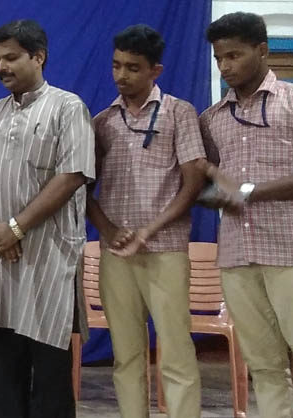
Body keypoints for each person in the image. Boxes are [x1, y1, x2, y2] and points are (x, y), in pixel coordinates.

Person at [200, 12, 293, 418]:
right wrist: (212, 192)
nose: (225, 66)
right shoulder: (212, 118)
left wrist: (250, 192)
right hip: (237, 258)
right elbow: (210, 186)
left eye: (234, 55)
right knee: (265, 369)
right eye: (219, 58)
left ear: (262, 50)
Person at [0, 19, 94, 418]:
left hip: (46, 258)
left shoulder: (68, 108)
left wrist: (15, 228)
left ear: (39, 57)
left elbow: (71, 176)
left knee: (50, 377)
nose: (2, 67)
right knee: (4, 376)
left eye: (12, 58)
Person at [86, 24, 204, 418]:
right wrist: (109, 231)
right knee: (126, 354)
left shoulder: (179, 113)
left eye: (133, 68)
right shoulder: (102, 122)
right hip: (117, 253)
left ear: (156, 70)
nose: (121, 75)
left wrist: (148, 231)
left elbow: (192, 184)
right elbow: (84, 188)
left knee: (176, 350)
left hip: (165, 250)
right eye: (116, 65)